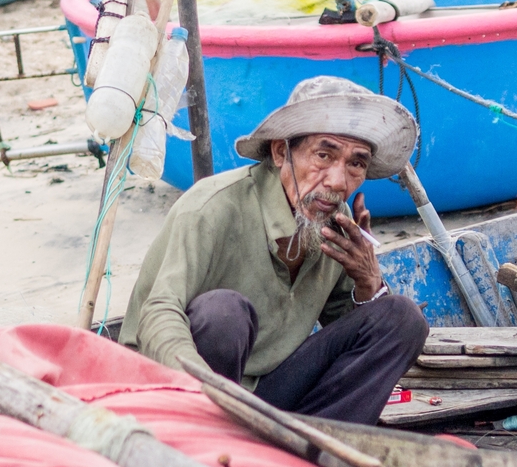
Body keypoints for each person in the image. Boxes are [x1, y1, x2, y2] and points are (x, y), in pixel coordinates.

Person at [120, 76, 429, 425]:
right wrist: (199, 391)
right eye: (323, 155)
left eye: (356, 164)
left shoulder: (333, 220)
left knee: (401, 317)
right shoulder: (212, 207)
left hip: (268, 396)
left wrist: (368, 285)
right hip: (178, 394)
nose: (338, 181)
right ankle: (219, 435)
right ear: (281, 152)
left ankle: (317, 451)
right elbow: (160, 311)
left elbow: (351, 340)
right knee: (223, 313)